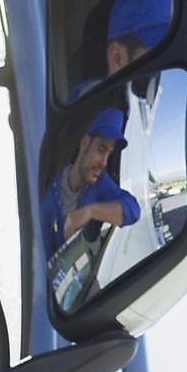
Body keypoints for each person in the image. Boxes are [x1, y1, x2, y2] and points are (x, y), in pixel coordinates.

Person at [40, 107, 141, 259]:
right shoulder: (49, 202)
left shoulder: (100, 183)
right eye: (101, 150)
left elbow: (133, 210)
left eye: (109, 154)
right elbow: (45, 263)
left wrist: (89, 212)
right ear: (85, 143)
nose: (104, 163)